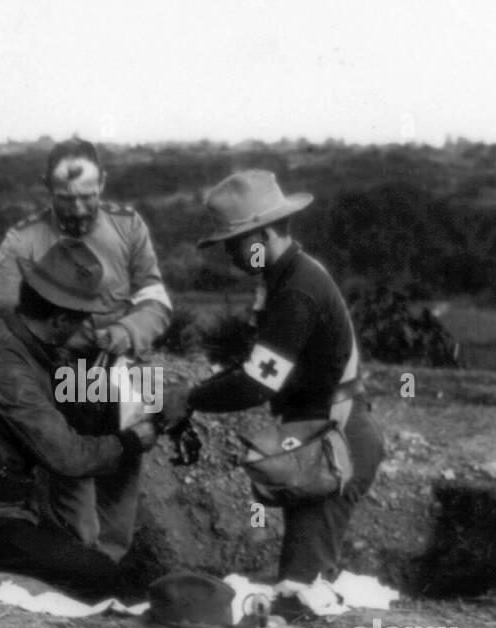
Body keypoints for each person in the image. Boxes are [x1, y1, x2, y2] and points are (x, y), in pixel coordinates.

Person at [161, 170, 385, 597]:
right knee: (303, 583)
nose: (230, 254)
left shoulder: (296, 291)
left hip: (334, 443)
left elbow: (257, 383)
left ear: (262, 236)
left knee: (301, 592)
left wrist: (189, 398)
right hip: (321, 435)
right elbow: (258, 367)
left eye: (235, 243)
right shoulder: (287, 278)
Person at [0, 240, 158, 602]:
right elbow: (68, 457)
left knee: (84, 561)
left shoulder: (29, 345)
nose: (86, 325)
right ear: (60, 320)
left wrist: (142, 397)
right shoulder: (7, 367)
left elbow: (78, 398)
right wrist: (135, 440)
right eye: (81, 317)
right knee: (98, 574)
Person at [0, 138, 172, 562]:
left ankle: (109, 574)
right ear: (46, 186)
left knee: (122, 481)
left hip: (125, 374)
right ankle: (77, 571)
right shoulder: (22, 241)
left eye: (88, 196)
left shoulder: (129, 227)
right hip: (61, 378)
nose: (79, 209)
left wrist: (130, 328)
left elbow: (155, 297)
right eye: (66, 198)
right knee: (75, 492)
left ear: (104, 182)